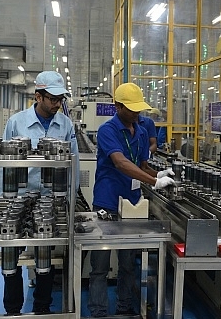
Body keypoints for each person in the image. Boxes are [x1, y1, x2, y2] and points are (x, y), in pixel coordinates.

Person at [88, 83, 175, 317]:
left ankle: (124, 307)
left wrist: (158, 174)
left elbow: (141, 164)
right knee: (100, 265)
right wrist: (152, 181)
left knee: (127, 263)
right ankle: (98, 311)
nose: (137, 114)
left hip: (133, 205)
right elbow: (120, 162)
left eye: (139, 109)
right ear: (117, 106)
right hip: (107, 202)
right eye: (132, 109)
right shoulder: (107, 131)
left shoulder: (142, 131)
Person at [2, 70, 79, 315]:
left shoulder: (65, 124)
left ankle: (42, 308)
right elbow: (6, 164)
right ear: (38, 96)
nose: (58, 104)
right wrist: (9, 198)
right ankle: (12, 309)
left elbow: (74, 162)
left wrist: (72, 196)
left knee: (46, 256)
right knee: (11, 255)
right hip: (21, 196)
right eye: (53, 99)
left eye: (60, 100)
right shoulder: (16, 122)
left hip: (52, 199)